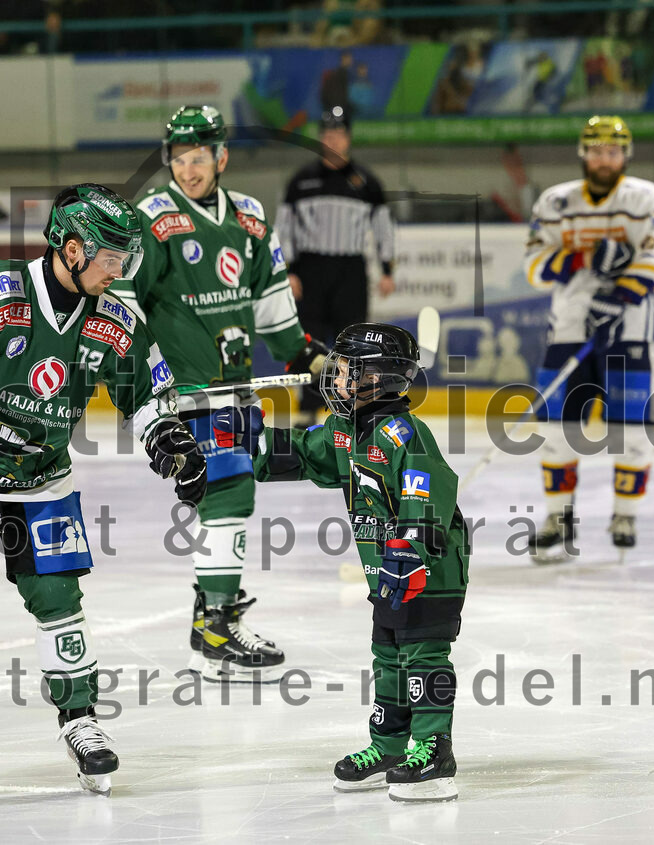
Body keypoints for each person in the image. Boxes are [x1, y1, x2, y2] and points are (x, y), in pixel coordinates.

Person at [0, 184, 207, 810]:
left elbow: (147, 390)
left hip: (41, 474)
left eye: (125, 259)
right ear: (70, 248)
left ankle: (79, 719)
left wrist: (172, 440)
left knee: (57, 595)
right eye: (110, 258)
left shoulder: (114, 318)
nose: (120, 270)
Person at [110, 105, 326, 684]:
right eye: (178, 159)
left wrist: (312, 358)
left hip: (237, 388)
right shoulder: (154, 220)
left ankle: (210, 624)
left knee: (232, 492)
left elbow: (275, 311)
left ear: (221, 158)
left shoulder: (252, 220)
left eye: (198, 157)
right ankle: (216, 625)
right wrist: (150, 382)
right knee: (227, 492)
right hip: (189, 393)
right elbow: (123, 308)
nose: (188, 168)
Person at [213, 323, 469, 802]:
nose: (338, 378)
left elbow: (427, 492)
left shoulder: (403, 434)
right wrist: (250, 436)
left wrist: (409, 548)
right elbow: (306, 455)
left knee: (423, 655)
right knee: (388, 657)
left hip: (429, 569)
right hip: (383, 570)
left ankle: (435, 750)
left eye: (350, 370)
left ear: (381, 377)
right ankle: (390, 747)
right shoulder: (345, 430)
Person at [523, 115, 654, 561]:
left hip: (633, 331)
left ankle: (624, 513)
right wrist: (587, 255)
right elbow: (534, 265)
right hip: (568, 328)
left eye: (613, 150)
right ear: (583, 152)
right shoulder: (556, 201)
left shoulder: (646, 198)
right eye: (596, 150)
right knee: (555, 427)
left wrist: (617, 298)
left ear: (625, 154)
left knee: (632, 429)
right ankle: (558, 517)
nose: (604, 159)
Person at [275, 105, 395, 426]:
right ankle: (308, 409)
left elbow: (384, 228)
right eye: (327, 134)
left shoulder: (366, 182)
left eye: (338, 134)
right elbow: (283, 229)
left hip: (350, 272)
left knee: (353, 341)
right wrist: (289, 270)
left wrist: (387, 269)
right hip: (310, 271)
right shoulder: (301, 181)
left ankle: (353, 408)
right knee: (310, 343)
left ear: (348, 138)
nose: (332, 140)